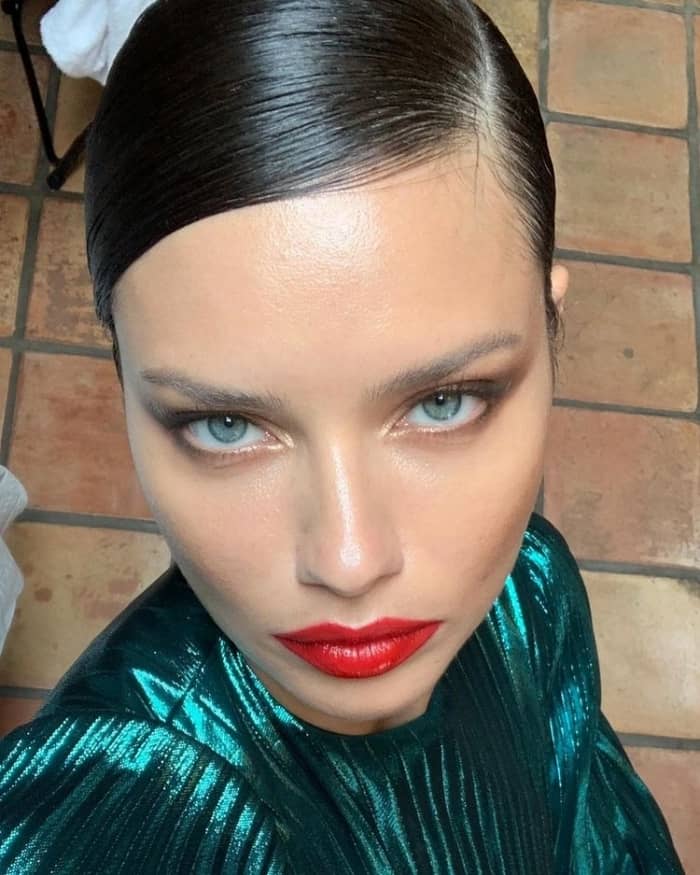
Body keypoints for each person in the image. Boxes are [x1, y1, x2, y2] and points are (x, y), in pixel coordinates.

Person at [0, 1, 685, 872]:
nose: (351, 560)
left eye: (444, 403)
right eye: (226, 425)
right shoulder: (124, 802)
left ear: (551, 330)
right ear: (125, 388)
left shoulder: (532, 590)